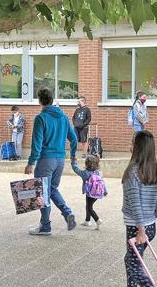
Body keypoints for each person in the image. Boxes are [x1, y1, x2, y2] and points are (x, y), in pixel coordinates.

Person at [114, 130, 157, 287]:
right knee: (133, 262)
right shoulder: (155, 171)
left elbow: (135, 204)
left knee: (132, 264)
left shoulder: (132, 173)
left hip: (137, 229)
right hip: (150, 226)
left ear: (135, 148)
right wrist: (153, 216)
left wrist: (140, 229)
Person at [24, 87, 78, 236]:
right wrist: (73, 156)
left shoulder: (41, 118)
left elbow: (37, 142)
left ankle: (45, 226)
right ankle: (67, 213)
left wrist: (31, 162)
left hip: (45, 161)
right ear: (52, 99)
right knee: (52, 189)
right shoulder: (63, 117)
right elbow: (73, 138)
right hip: (60, 160)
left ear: (39, 100)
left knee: (42, 192)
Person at [71, 154, 107, 229]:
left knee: (89, 208)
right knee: (88, 206)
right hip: (97, 193)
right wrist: (105, 191)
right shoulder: (98, 172)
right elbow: (102, 182)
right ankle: (87, 221)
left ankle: (97, 220)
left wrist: (73, 162)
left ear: (86, 163)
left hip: (90, 193)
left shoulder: (85, 173)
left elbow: (76, 169)